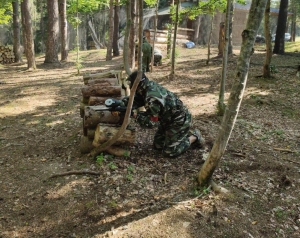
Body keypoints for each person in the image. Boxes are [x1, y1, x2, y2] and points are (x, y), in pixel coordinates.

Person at [123, 71, 205, 158]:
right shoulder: (147, 87)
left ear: (138, 84)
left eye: (131, 83)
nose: (130, 85)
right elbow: (137, 99)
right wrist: (121, 103)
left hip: (179, 120)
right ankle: (181, 134)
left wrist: (135, 115)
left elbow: (151, 123)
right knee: (158, 146)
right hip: (167, 119)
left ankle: (194, 137)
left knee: (169, 152)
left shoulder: (152, 98)